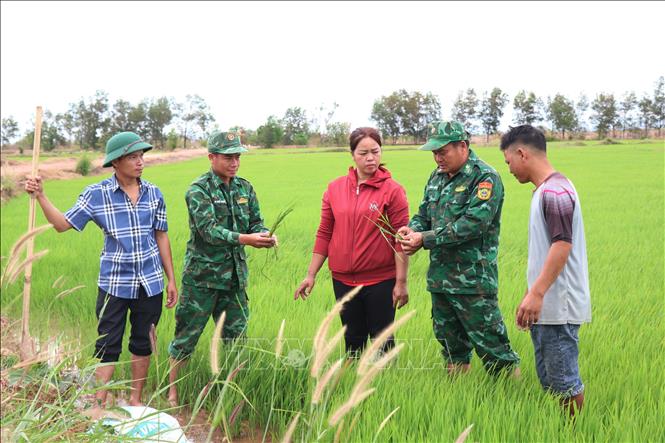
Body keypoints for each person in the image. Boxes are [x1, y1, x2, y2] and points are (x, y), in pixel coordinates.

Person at [24, 131, 178, 407]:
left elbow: (161, 236)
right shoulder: (97, 195)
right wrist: (42, 196)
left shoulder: (154, 193)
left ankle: (135, 402)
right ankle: (97, 405)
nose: (140, 161)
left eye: (141, 155)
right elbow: (62, 224)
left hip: (150, 282)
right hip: (114, 285)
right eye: (133, 157)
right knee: (107, 346)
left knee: (143, 343)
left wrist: (171, 279)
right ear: (116, 163)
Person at [398, 120, 520, 376]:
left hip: (472, 282)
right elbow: (424, 214)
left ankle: (512, 397)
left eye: (442, 151)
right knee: (452, 349)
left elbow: (473, 224)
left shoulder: (485, 178)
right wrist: (412, 229)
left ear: (462, 146)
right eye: (434, 153)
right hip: (440, 280)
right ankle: (457, 392)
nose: (437, 158)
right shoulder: (436, 177)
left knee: (495, 350)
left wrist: (425, 239)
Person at [167, 130, 276, 406]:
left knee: (236, 339)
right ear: (212, 157)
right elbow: (208, 231)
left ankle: (234, 393)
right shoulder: (198, 190)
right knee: (186, 337)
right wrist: (244, 239)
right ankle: (172, 393)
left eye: (238, 156)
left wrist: (263, 234)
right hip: (202, 280)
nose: (234, 162)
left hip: (235, 281)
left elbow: (255, 222)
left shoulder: (245, 189)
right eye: (228, 157)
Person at [294, 127, 410, 357]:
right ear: (352, 154)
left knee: (382, 343)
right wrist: (311, 275)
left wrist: (401, 282)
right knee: (353, 341)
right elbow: (325, 232)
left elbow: (401, 239)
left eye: (375, 152)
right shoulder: (335, 188)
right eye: (363, 153)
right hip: (343, 281)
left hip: (380, 281)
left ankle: (386, 388)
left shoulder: (393, 191)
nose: (370, 158)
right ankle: (353, 386)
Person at [500, 125, 591, 416]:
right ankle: (558, 429)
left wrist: (537, 294)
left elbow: (561, 245)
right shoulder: (544, 191)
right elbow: (544, 251)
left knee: (565, 383)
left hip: (559, 306)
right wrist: (530, 295)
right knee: (551, 381)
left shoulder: (555, 192)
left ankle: (574, 434)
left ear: (522, 153)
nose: (510, 169)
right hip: (546, 305)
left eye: (509, 161)